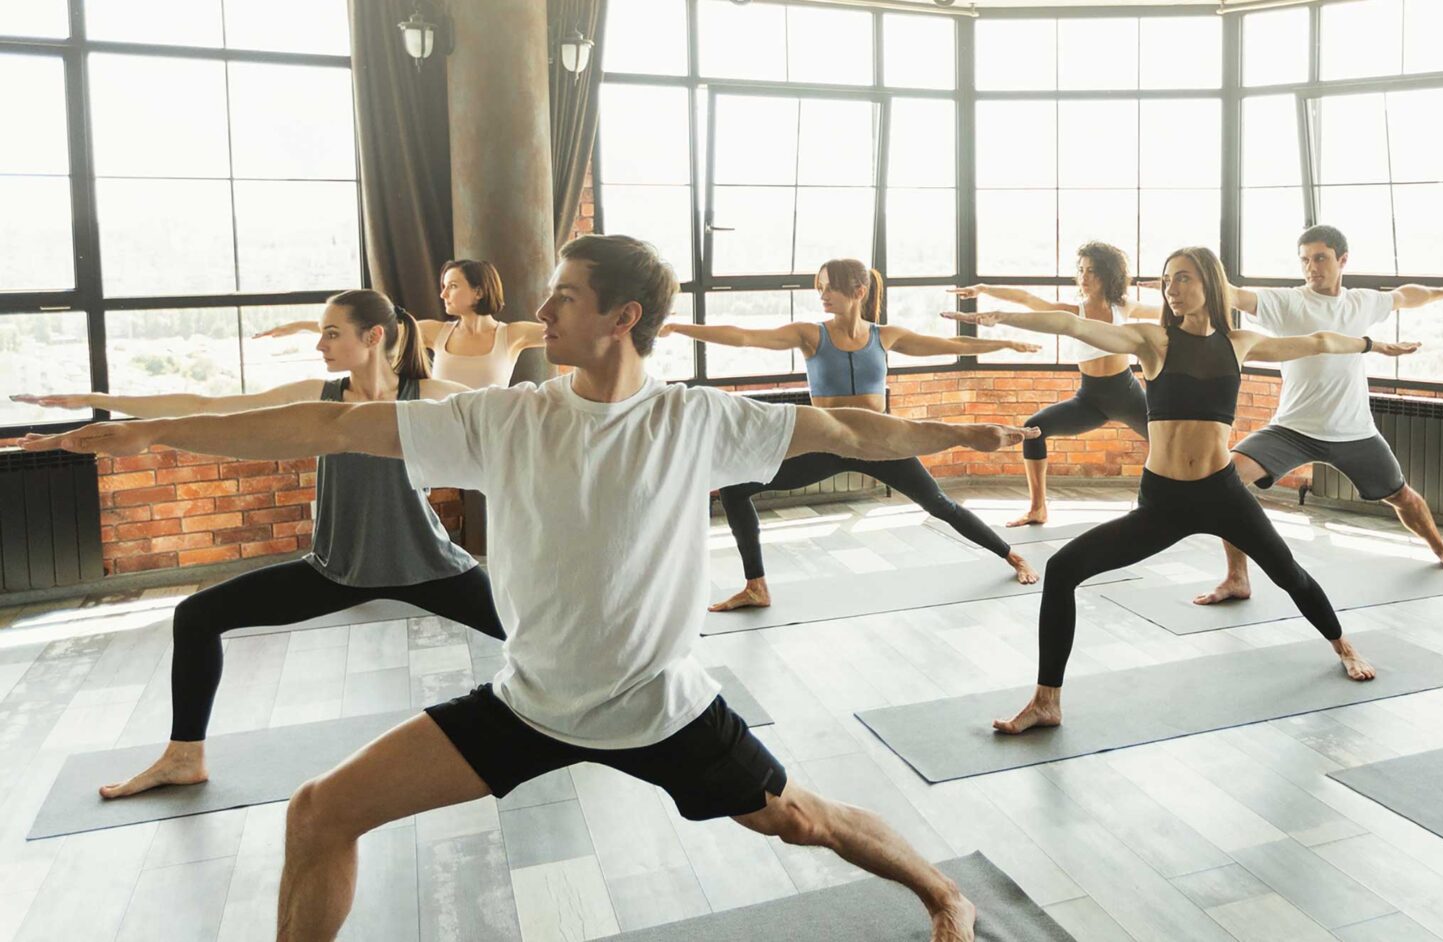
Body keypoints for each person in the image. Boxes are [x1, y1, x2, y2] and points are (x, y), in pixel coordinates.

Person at [26, 234, 1035, 941]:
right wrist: (149, 428)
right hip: (530, 704)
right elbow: (323, 428)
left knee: (802, 821)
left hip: (657, 712)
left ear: (621, 317)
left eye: (564, 295)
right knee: (319, 814)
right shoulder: (504, 418)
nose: (543, 308)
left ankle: (944, 896)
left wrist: (960, 432)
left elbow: (852, 430)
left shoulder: (697, 420)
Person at [12, 290, 499, 799]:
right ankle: (184, 756)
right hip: (336, 568)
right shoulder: (321, 396)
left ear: (373, 336)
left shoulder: (432, 394)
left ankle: (577, 719)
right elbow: (208, 407)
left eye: (332, 332)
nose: (319, 344)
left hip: (431, 564)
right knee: (197, 616)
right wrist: (106, 407)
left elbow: (503, 430)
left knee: (529, 634)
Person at [944, 246, 1379, 736]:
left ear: (1209, 285)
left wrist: (1368, 345)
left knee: (1290, 575)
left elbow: (1318, 341)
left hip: (1222, 493)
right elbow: (1074, 327)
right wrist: (1003, 317)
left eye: (1183, 279)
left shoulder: (1239, 343)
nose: (1172, 290)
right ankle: (1046, 701)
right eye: (1168, 280)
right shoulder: (1153, 342)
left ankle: (1343, 646)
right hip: (1164, 501)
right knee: (1064, 569)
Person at [658, 258, 1043, 611]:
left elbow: (954, 344)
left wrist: (1005, 342)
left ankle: (1011, 555)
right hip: (825, 444)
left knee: (940, 505)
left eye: (830, 288)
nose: (823, 296)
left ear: (858, 292)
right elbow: (744, 336)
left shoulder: (885, 336)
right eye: (820, 288)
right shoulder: (810, 334)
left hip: (882, 442)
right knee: (735, 488)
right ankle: (756, 586)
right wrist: (678, 327)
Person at [1178, 225, 1443, 603]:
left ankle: (1442, 550)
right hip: (1291, 429)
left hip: (1354, 431)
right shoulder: (1288, 302)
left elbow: (1403, 296)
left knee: (1402, 496)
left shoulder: (1361, 302)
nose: (1311, 267)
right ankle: (1237, 578)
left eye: (1319, 258)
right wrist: (1201, 269)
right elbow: (1234, 296)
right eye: (1304, 260)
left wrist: (1442, 293)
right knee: (1225, 484)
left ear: (1342, 260)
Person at [948, 242, 1159, 527]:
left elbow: (1165, 312)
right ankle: (1037, 509)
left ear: (1109, 275)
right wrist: (984, 289)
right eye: (1081, 270)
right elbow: (1026, 299)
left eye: (1093, 271)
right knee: (1034, 429)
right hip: (1090, 400)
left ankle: (1172, 504)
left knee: (1169, 440)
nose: (1084, 278)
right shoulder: (1071, 312)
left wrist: (1166, 285)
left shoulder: (1124, 306)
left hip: (1128, 394)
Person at [256, 259, 544, 389]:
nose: (443, 294)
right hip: (442, 433)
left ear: (479, 291)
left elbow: (569, 334)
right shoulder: (435, 332)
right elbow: (371, 329)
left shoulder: (512, 334)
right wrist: (302, 326)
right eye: (443, 286)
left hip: (491, 435)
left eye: (453, 286)